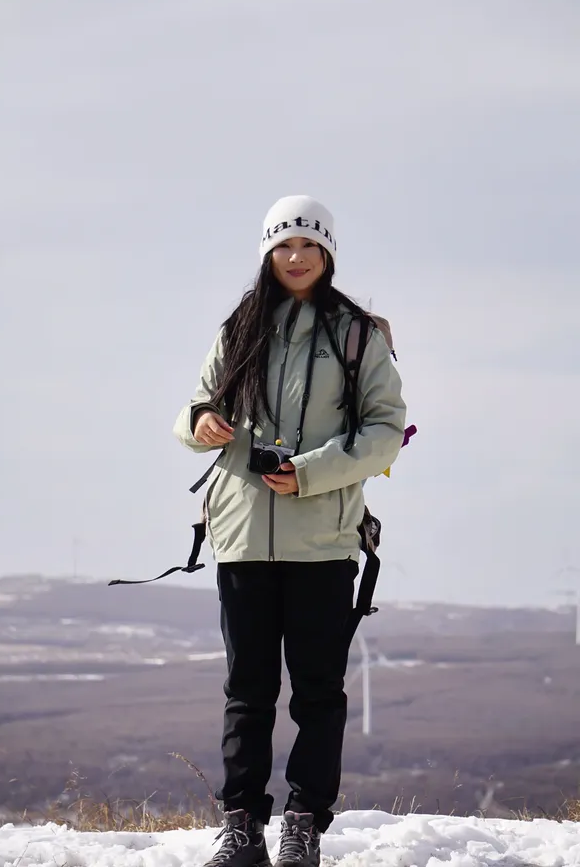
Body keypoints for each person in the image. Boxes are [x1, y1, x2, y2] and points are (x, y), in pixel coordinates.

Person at [174, 196, 406, 867]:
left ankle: (304, 823)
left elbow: (385, 431)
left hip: (324, 541)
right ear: (267, 255)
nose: (296, 256)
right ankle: (241, 826)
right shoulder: (239, 328)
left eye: (308, 245)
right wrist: (201, 424)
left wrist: (310, 473)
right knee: (246, 691)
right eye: (283, 245)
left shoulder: (356, 333)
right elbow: (194, 407)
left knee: (317, 692)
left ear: (327, 254)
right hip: (242, 534)